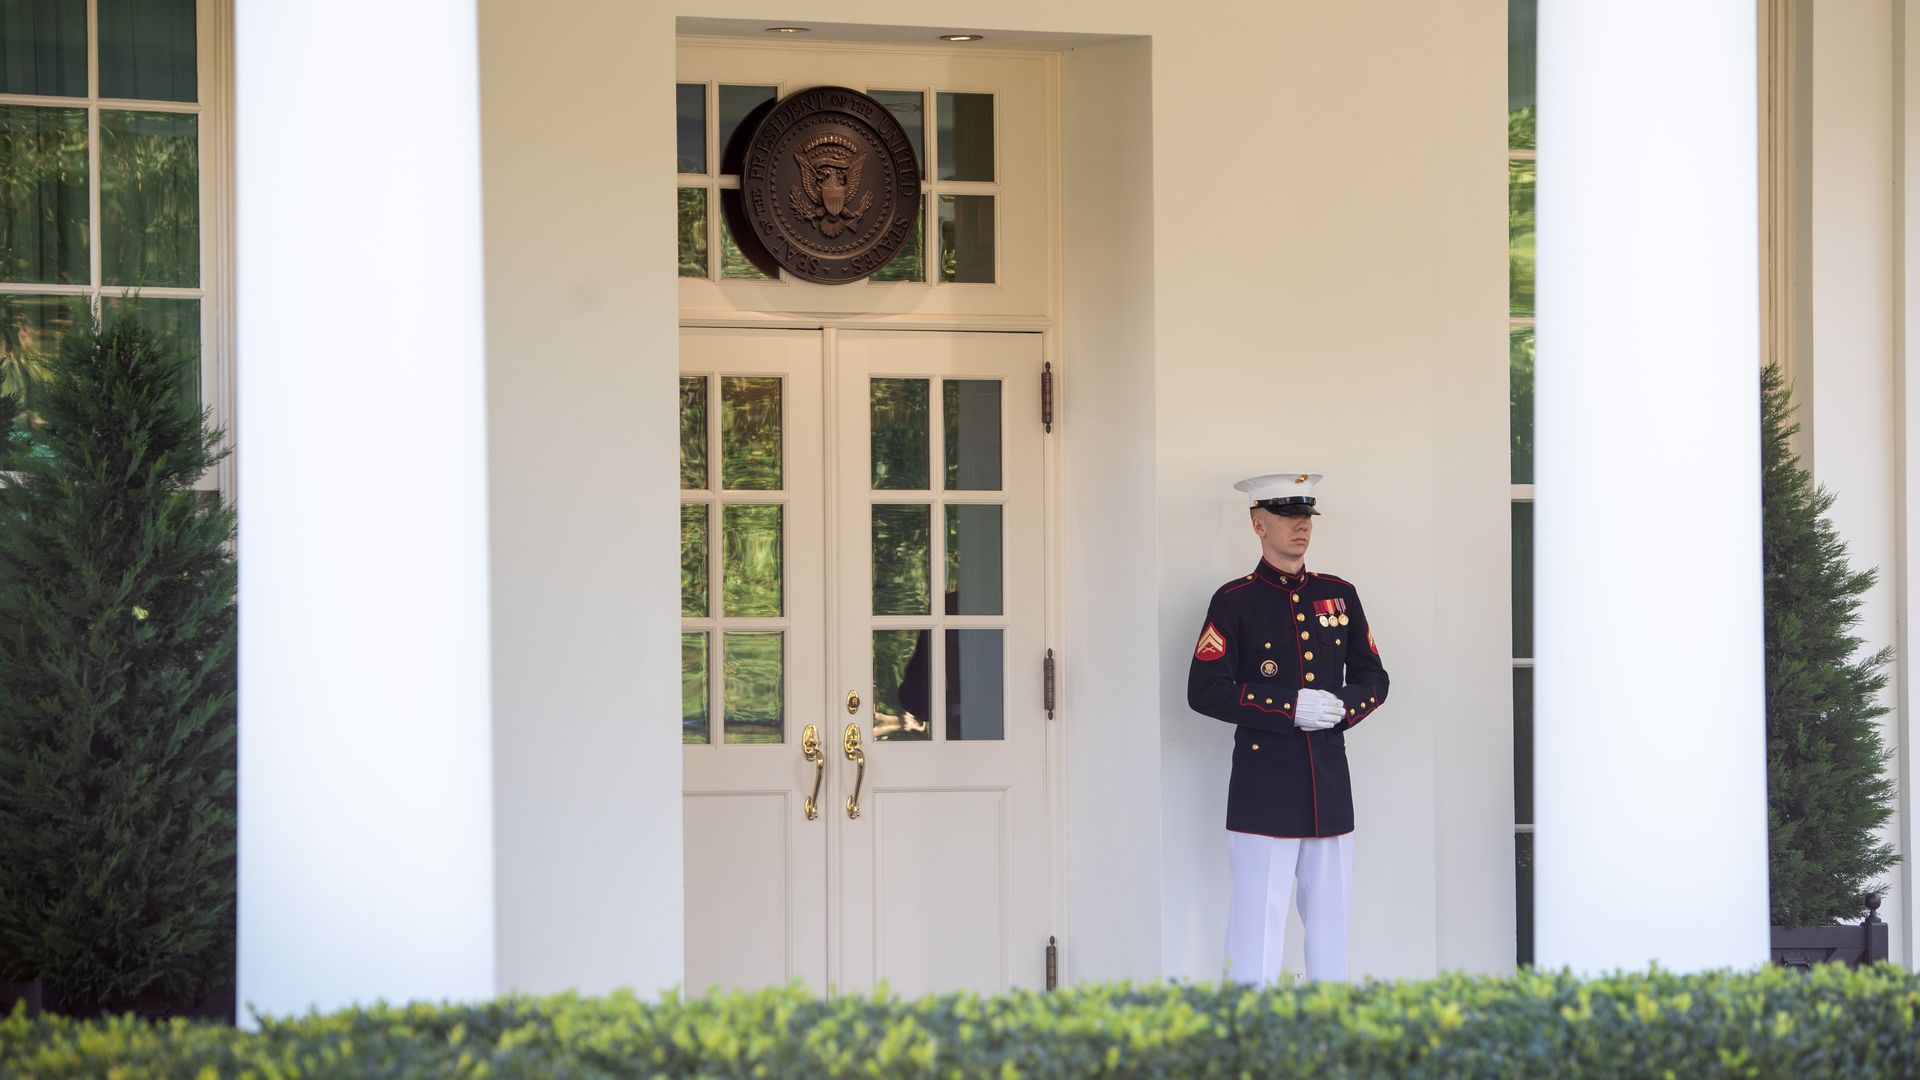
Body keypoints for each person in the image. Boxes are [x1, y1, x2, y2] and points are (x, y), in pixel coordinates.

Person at [1186, 472, 1389, 984]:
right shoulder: (1234, 601)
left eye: (1306, 516)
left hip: (1328, 785)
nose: (1301, 526)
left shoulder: (1339, 595)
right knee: (1257, 924)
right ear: (1258, 525)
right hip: (1265, 789)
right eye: (1287, 516)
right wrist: (1288, 707)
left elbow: (1374, 677)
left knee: (1331, 925)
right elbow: (1205, 689)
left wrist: (1340, 707)